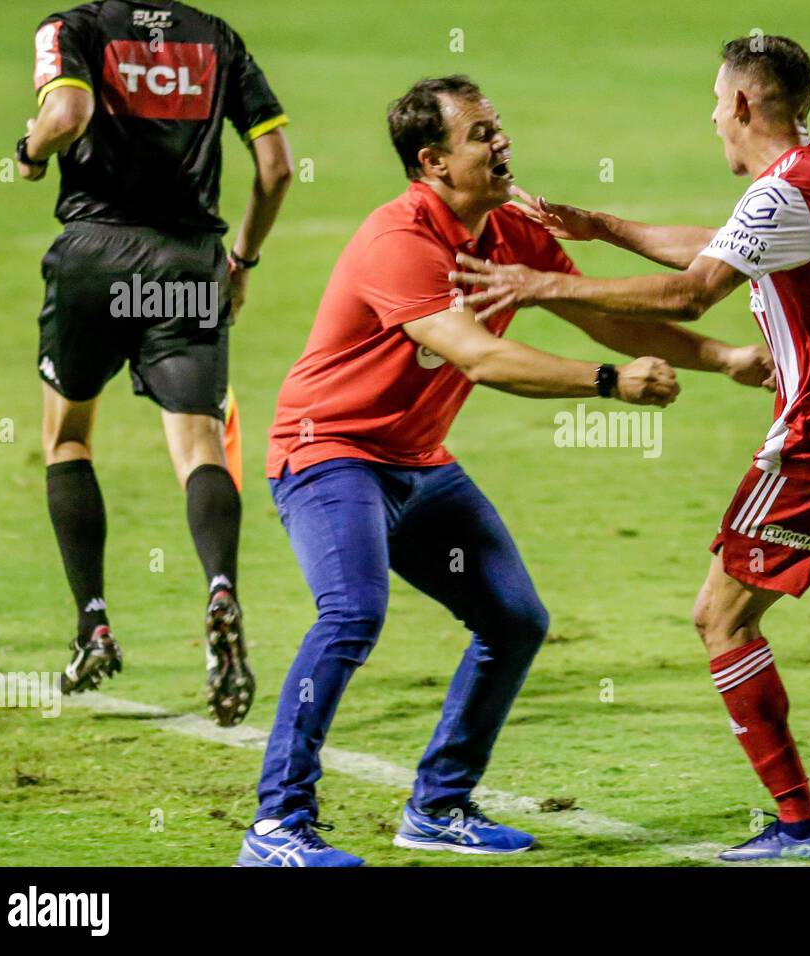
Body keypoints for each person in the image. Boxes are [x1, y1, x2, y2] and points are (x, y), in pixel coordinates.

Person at [452, 36, 810, 861]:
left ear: (741, 106)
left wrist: (543, 282)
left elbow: (693, 293)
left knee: (720, 620)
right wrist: (601, 227)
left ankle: (798, 824)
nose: (711, 118)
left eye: (715, 102)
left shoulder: (783, 195)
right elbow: (728, 242)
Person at [235, 74, 774, 867]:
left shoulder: (509, 227)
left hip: (417, 463)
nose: (501, 143)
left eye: (499, 128)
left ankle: (439, 805)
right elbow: (481, 357)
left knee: (514, 621)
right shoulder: (401, 240)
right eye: (481, 134)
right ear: (433, 162)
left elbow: (595, 311)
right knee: (351, 615)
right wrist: (606, 384)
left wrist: (721, 358)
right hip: (330, 454)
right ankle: (276, 825)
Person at [21, 0, 293, 725]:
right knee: (200, 442)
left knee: (69, 437)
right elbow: (276, 167)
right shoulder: (217, 38)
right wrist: (242, 261)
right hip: (190, 264)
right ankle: (221, 587)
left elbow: (67, 114)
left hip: (93, 258)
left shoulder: (72, 28)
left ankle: (94, 625)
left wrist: (29, 153)